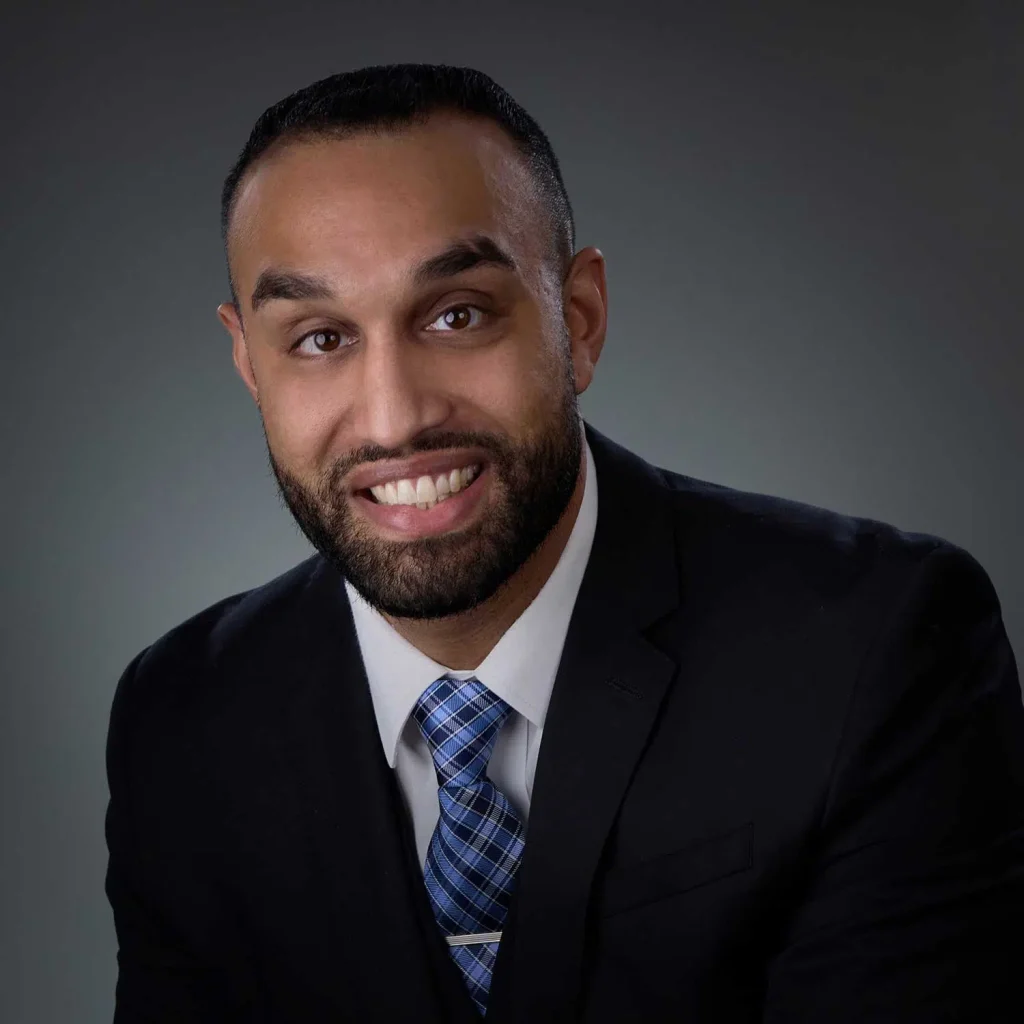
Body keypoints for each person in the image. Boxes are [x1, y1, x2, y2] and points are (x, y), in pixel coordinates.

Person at [104, 63, 1024, 1023]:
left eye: (457, 315)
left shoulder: (876, 648)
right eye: (319, 339)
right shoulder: (182, 721)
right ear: (250, 363)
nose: (394, 417)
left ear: (576, 320)